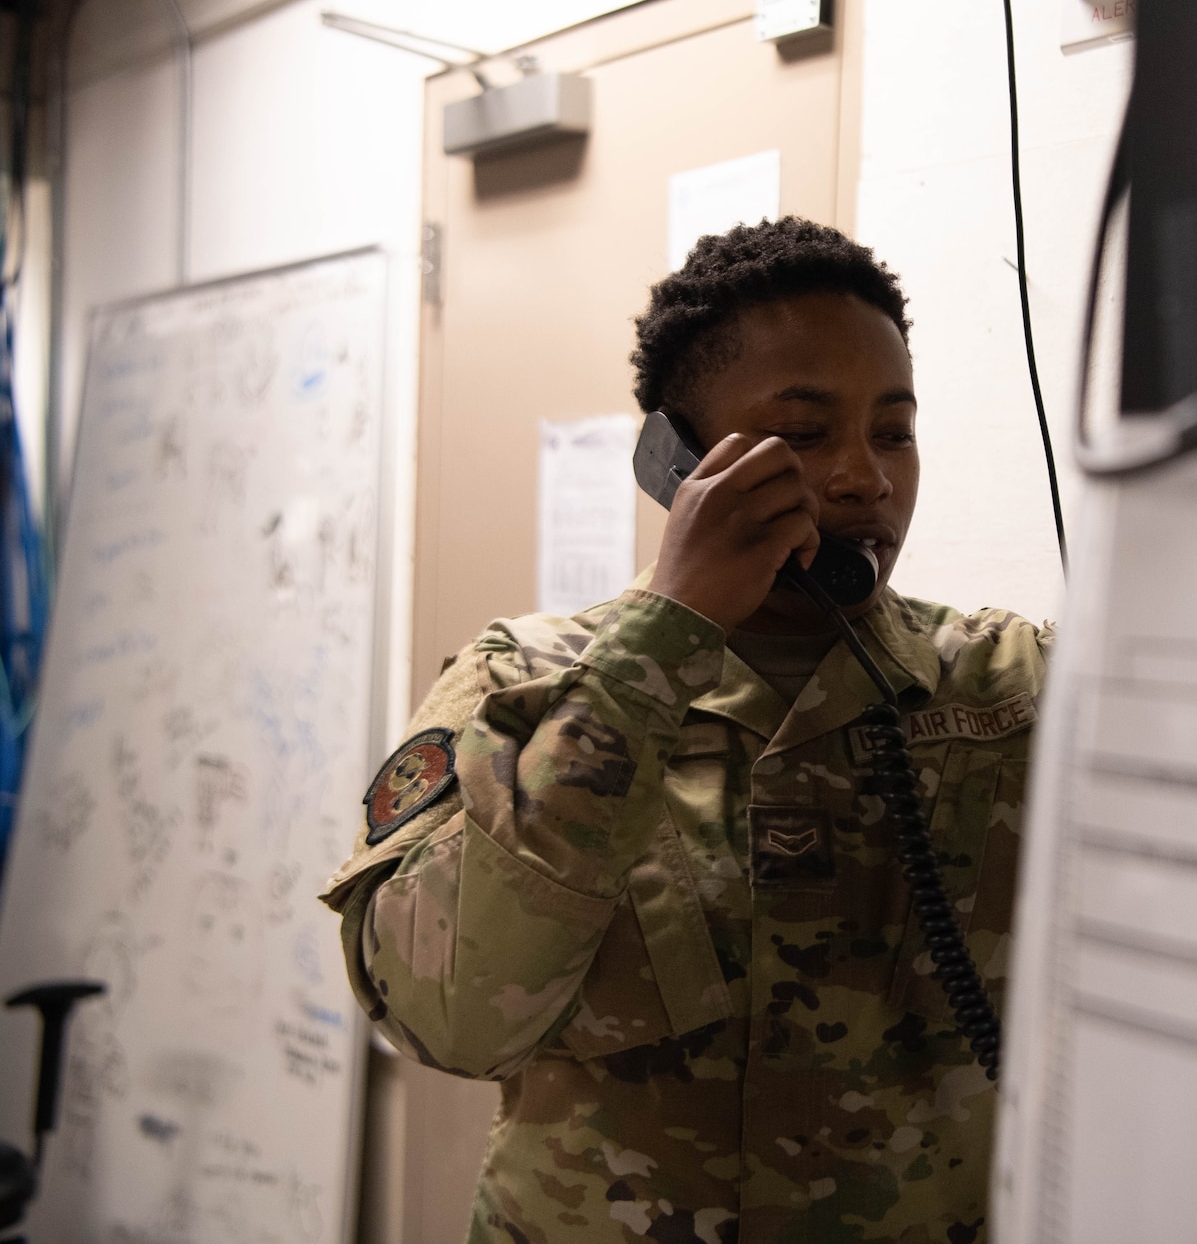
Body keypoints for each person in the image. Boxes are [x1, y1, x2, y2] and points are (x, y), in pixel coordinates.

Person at [321, 217, 1051, 1244]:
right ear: (678, 460)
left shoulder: (1010, 685)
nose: (861, 476)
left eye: (892, 429)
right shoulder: (522, 684)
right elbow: (447, 1017)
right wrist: (662, 643)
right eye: (802, 432)